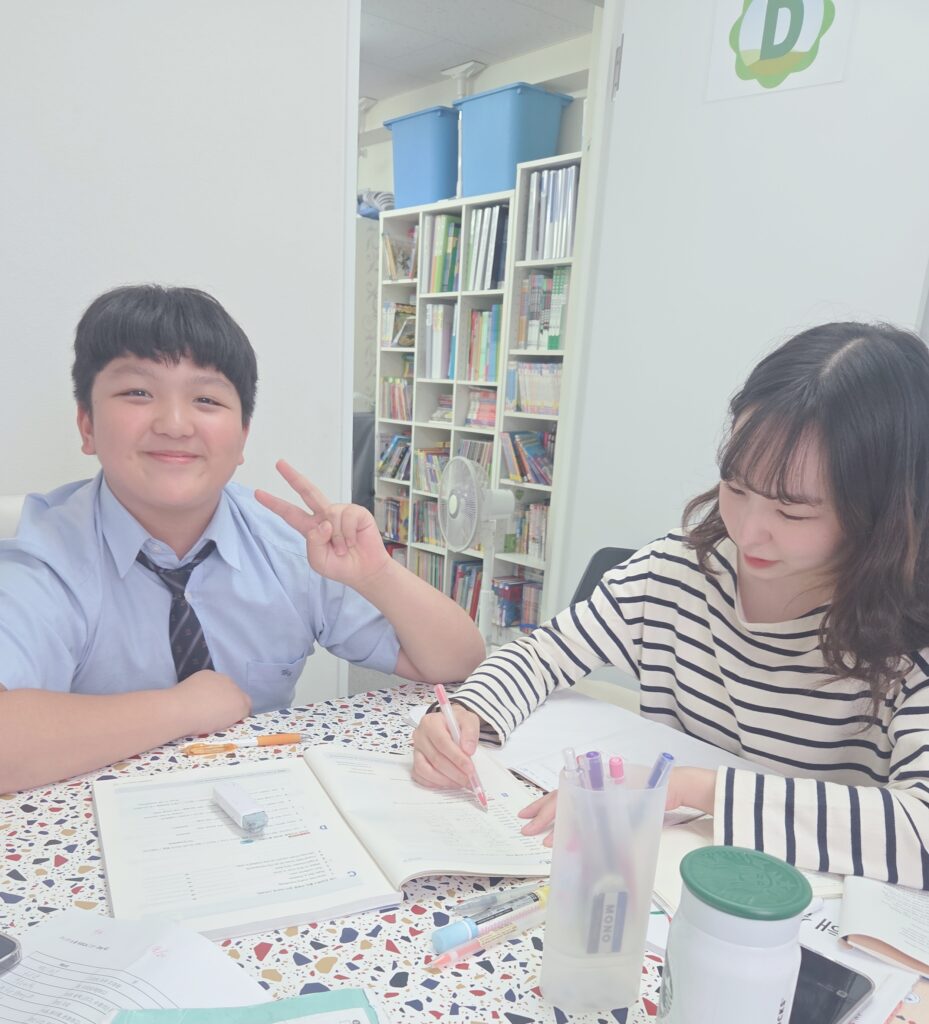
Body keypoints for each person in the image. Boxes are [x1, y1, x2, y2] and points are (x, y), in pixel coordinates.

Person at [412, 321, 929, 889]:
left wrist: (688, 788)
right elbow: (542, 654)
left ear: (884, 511)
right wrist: (467, 715)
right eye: (736, 487)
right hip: (651, 885)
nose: (748, 532)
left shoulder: (910, 638)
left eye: (793, 512)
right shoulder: (677, 569)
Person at [0, 284, 484, 794]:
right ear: (87, 425)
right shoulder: (48, 557)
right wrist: (181, 708)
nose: (175, 424)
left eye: (206, 399)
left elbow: (459, 663)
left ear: (242, 438)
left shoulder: (288, 544)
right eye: (137, 393)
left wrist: (378, 575)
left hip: (265, 815)